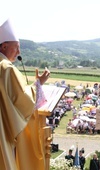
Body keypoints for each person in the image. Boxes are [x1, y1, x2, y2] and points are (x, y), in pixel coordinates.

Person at [0, 19, 50, 170]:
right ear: (4, 46)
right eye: (17, 47)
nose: (19, 52)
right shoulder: (6, 68)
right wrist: (39, 83)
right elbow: (24, 100)